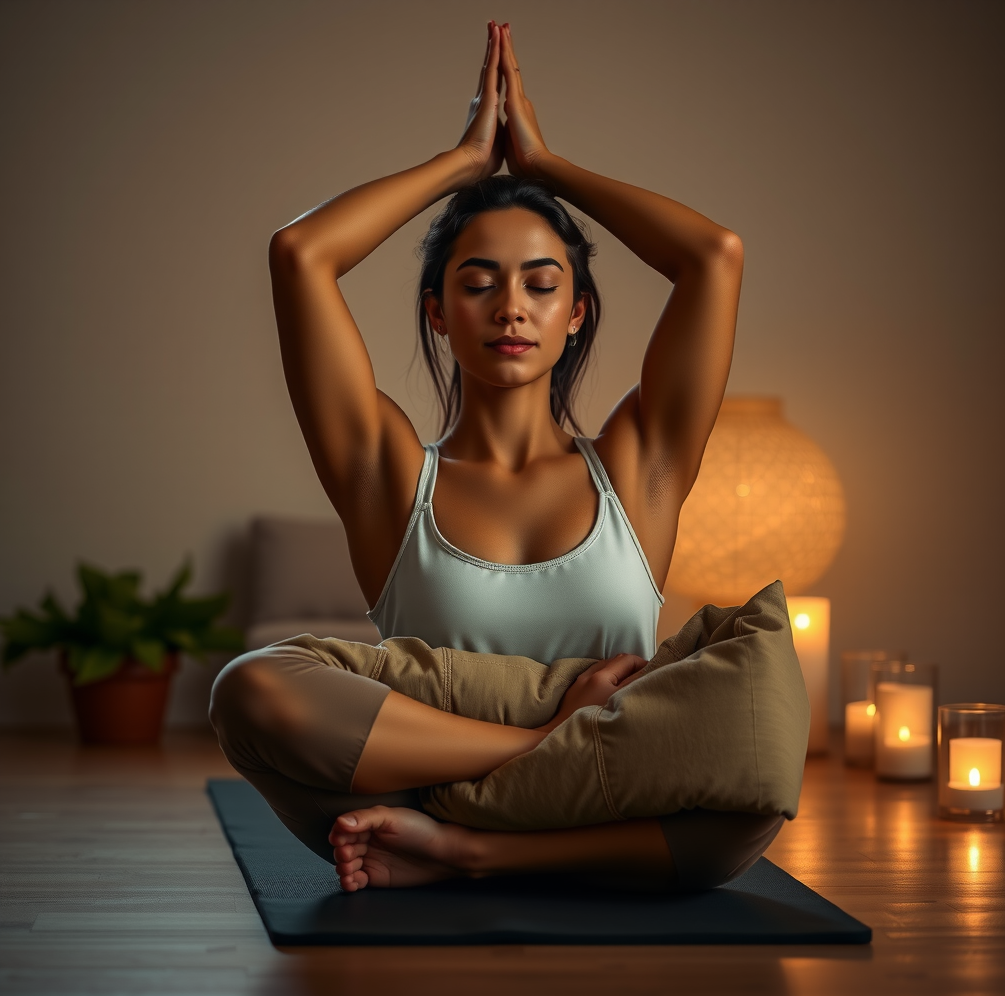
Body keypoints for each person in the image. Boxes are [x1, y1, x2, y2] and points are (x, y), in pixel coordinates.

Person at [211, 22, 754, 893]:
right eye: (477, 283)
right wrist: (464, 162)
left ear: (575, 313)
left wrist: (543, 167)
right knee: (251, 690)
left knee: (750, 778)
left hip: (594, 785)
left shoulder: (638, 466)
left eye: (542, 284)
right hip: (433, 777)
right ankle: (494, 801)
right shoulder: (389, 475)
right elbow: (301, 255)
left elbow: (712, 256)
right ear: (437, 313)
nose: (512, 307)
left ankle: (465, 855)